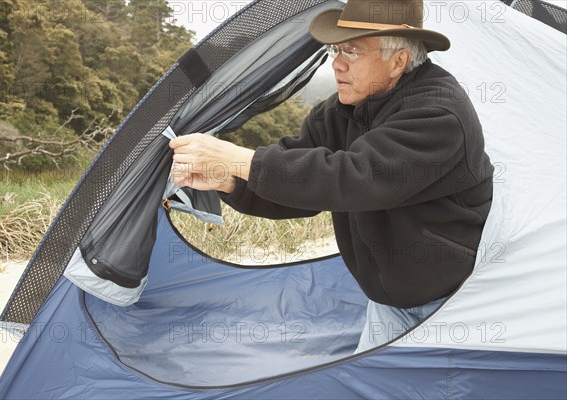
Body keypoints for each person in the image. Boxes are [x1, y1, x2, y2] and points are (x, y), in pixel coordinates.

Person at [169, 0, 493, 352]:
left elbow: (353, 178)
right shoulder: (339, 113)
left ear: (398, 60)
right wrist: (229, 180)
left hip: (454, 306)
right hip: (388, 304)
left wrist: (239, 158)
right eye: (337, 49)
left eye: (352, 50)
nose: (337, 63)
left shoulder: (439, 114)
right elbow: (300, 179)